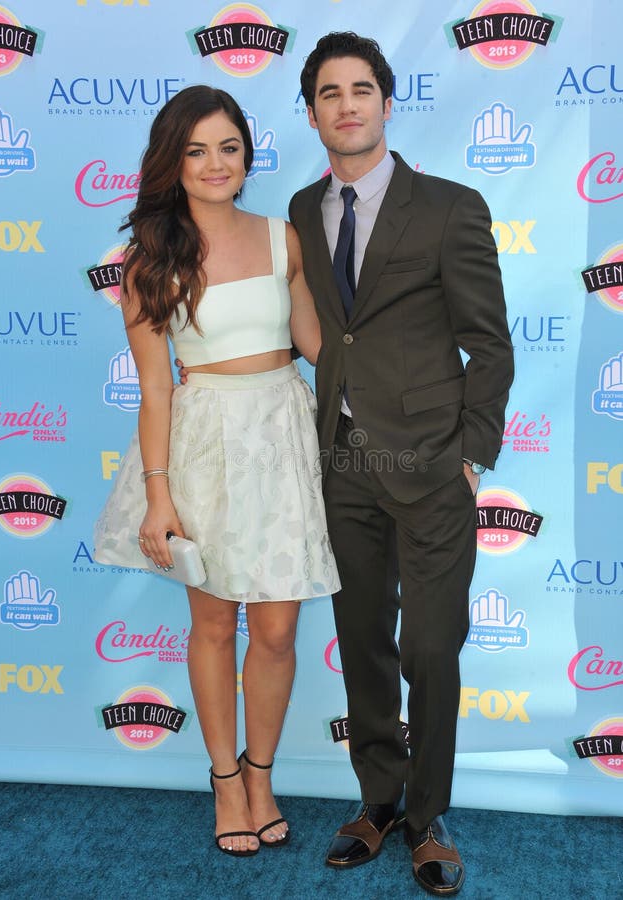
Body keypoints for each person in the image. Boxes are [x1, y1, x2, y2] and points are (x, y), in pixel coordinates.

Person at [288, 32, 514, 895]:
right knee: (362, 645)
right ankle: (377, 800)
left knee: (429, 646)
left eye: (361, 90)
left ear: (386, 102)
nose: (346, 105)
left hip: (432, 467)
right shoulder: (304, 212)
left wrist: (474, 454)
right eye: (328, 94)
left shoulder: (452, 207)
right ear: (312, 114)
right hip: (344, 463)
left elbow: (489, 346)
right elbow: (327, 333)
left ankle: (429, 815)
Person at [93, 85, 340, 858]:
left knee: (276, 627)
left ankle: (262, 774)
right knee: (212, 622)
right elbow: (155, 389)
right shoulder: (148, 262)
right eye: (196, 150)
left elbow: (318, 346)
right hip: (202, 443)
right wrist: (158, 496)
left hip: (280, 430)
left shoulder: (284, 238)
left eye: (228, 147)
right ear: (173, 161)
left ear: (246, 154)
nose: (214, 163)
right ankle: (225, 780)